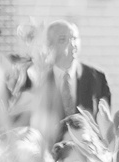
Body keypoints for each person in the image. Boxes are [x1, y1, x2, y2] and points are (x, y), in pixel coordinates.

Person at [13, 20, 113, 148]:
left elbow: (105, 124)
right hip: (47, 153)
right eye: (63, 39)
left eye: (75, 38)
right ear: (49, 45)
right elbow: (22, 121)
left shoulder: (96, 78)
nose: (72, 44)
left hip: (86, 154)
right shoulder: (35, 77)